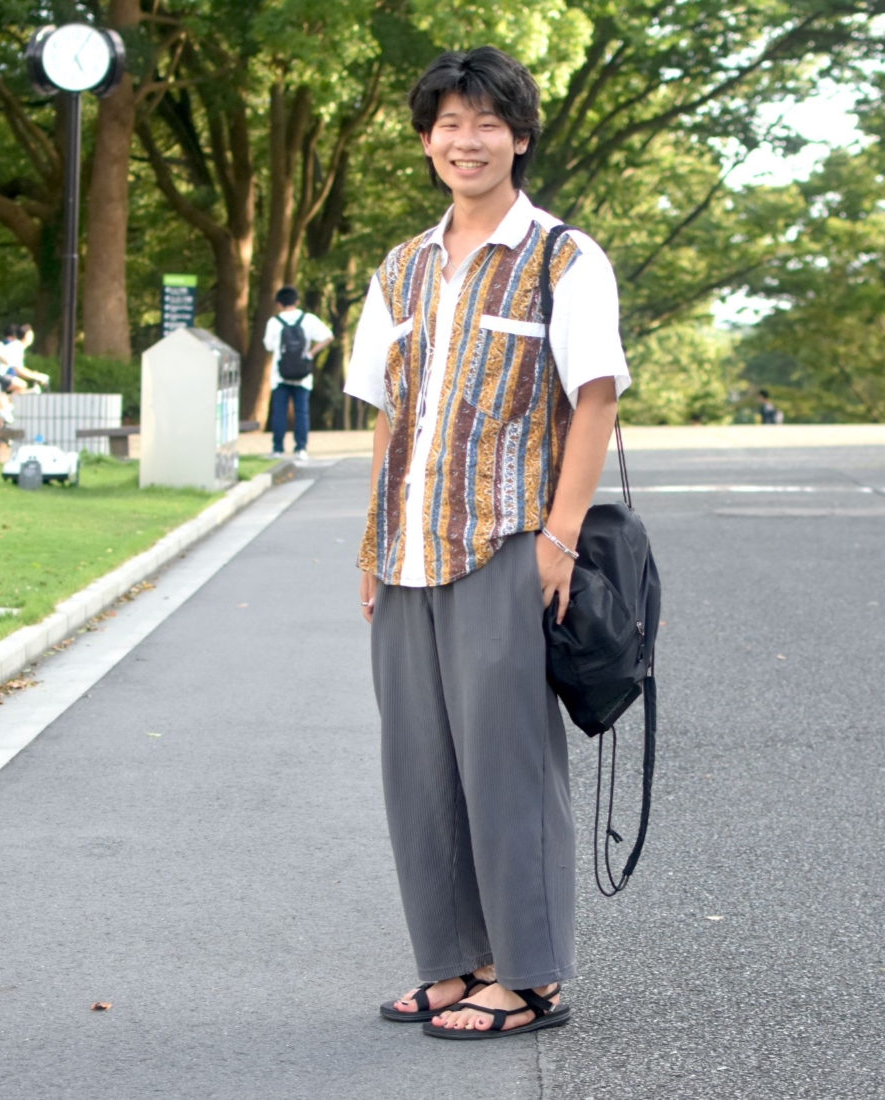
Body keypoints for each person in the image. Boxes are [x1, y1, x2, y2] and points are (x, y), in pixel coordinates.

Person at [344, 46, 630, 1039]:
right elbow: (389, 412)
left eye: (485, 124)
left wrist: (556, 537)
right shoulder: (402, 266)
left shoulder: (562, 256)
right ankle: (452, 961)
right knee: (415, 763)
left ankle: (530, 972)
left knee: (506, 762)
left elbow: (592, 401)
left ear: (517, 135)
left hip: (507, 540)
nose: (464, 142)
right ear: (427, 140)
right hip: (407, 550)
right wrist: (370, 542)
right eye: (447, 125)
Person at [262, 286, 333, 461]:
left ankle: (278, 448)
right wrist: (310, 353)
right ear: (297, 301)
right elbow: (328, 336)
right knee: (302, 412)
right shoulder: (308, 319)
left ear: (279, 303)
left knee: (279, 411)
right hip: (303, 374)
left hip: (280, 375)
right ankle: (301, 448)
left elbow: (268, 346)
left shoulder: (274, 322)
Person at [0, 324, 49, 395]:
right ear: (27, 335)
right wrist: (38, 377)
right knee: (22, 385)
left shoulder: (16, 345)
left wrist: (35, 374)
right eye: (31, 335)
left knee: (21, 387)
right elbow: (19, 370)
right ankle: (9, 401)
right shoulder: (17, 347)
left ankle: (7, 401)